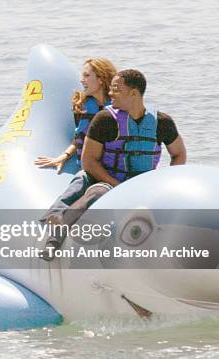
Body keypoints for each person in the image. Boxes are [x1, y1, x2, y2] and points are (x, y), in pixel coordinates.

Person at [41, 69, 187, 258]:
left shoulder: (161, 122)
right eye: (110, 89)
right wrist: (117, 186)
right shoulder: (105, 120)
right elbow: (89, 161)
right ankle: (55, 236)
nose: (110, 94)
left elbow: (179, 153)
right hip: (106, 179)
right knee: (94, 191)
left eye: (116, 89)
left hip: (142, 184)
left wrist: (164, 182)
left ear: (133, 93)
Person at [34, 58, 117, 172]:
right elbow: (80, 137)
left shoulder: (119, 106)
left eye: (86, 76)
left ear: (101, 79)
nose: (82, 80)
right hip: (89, 168)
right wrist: (64, 156)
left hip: (114, 169)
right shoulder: (83, 106)